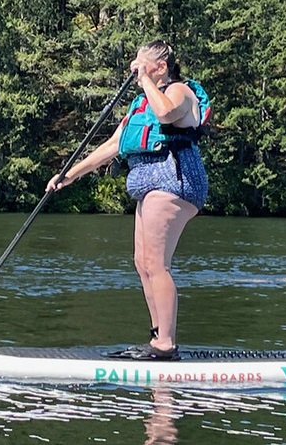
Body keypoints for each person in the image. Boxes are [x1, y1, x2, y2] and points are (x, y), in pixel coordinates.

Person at [47, 40, 210, 361]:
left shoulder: (179, 92)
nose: (134, 69)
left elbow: (166, 114)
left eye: (141, 64)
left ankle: (166, 344)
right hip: (148, 185)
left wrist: (147, 80)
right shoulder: (139, 105)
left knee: (156, 264)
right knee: (142, 263)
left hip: (175, 179)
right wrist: (69, 175)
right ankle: (157, 337)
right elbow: (112, 145)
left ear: (160, 67)